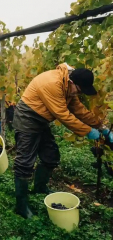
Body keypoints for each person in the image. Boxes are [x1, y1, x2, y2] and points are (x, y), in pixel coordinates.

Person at [12, 63, 113, 219]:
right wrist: (87, 131)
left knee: (51, 156)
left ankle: (39, 188)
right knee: (25, 162)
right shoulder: (53, 83)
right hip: (27, 117)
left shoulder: (69, 87)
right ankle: (21, 205)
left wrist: (101, 127)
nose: (79, 94)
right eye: (79, 90)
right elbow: (63, 115)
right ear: (73, 83)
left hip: (41, 119)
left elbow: (79, 110)